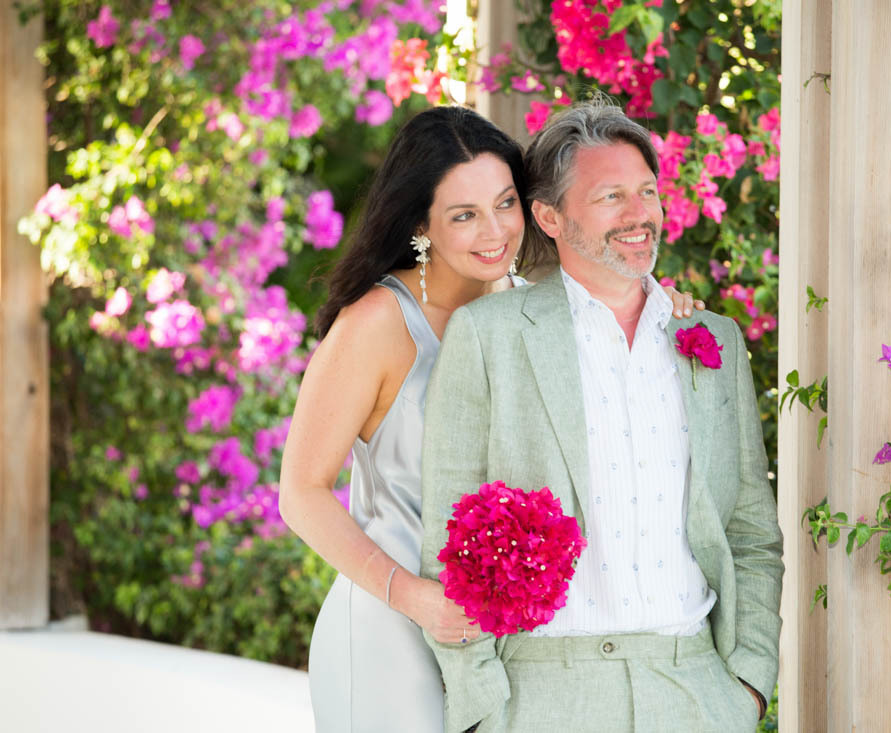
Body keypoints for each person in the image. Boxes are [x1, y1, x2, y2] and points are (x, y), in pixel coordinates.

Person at [278, 105, 704, 732]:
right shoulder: (376, 324)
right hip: (391, 625)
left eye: (505, 204)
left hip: (491, 638)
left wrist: (663, 310)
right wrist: (412, 597)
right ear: (420, 223)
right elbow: (301, 493)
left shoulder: (527, 310)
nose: (494, 232)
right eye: (464, 215)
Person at [419, 100, 783, 733]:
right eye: (611, 196)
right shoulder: (490, 336)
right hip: (540, 696)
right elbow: (450, 542)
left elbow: (751, 529)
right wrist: (483, 708)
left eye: (647, 191)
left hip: (696, 691)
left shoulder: (713, 340)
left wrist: (747, 684)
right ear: (550, 216)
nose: (639, 214)